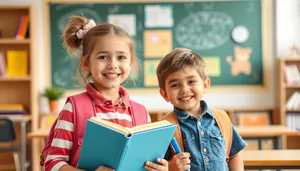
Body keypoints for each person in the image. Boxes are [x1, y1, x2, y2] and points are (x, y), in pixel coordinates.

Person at [44, 16, 168, 171]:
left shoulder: (141, 113)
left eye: (121, 57)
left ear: (131, 63)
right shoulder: (74, 108)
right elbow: (53, 164)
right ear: (86, 63)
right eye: (103, 57)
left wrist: (159, 168)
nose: (113, 65)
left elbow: (145, 163)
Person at [156, 48, 247, 171]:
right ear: (165, 94)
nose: (184, 89)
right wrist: (171, 168)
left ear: (205, 85)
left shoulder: (221, 118)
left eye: (191, 81)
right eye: (175, 85)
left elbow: (234, 154)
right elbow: (157, 166)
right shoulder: (164, 128)